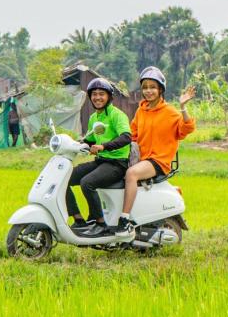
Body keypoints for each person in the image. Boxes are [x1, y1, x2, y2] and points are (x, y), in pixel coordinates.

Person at [114, 66, 196, 235]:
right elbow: (132, 136)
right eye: (145, 87)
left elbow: (187, 128)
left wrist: (183, 106)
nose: (148, 91)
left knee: (131, 174)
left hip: (158, 161)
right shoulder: (141, 111)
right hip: (142, 160)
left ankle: (124, 220)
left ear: (160, 90)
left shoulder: (170, 112)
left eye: (152, 87)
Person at [65, 77, 132, 237]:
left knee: (87, 183)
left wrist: (103, 146)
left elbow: (126, 137)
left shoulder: (117, 115)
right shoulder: (94, 118)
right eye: (94, 94)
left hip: (117, 164)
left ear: (109, 96)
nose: (97, 97)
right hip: (101, 161)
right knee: (63, 179)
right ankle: (79, 219)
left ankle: (101, 224)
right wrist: (73, 145)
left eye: (101, 94)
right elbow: (89, 140)